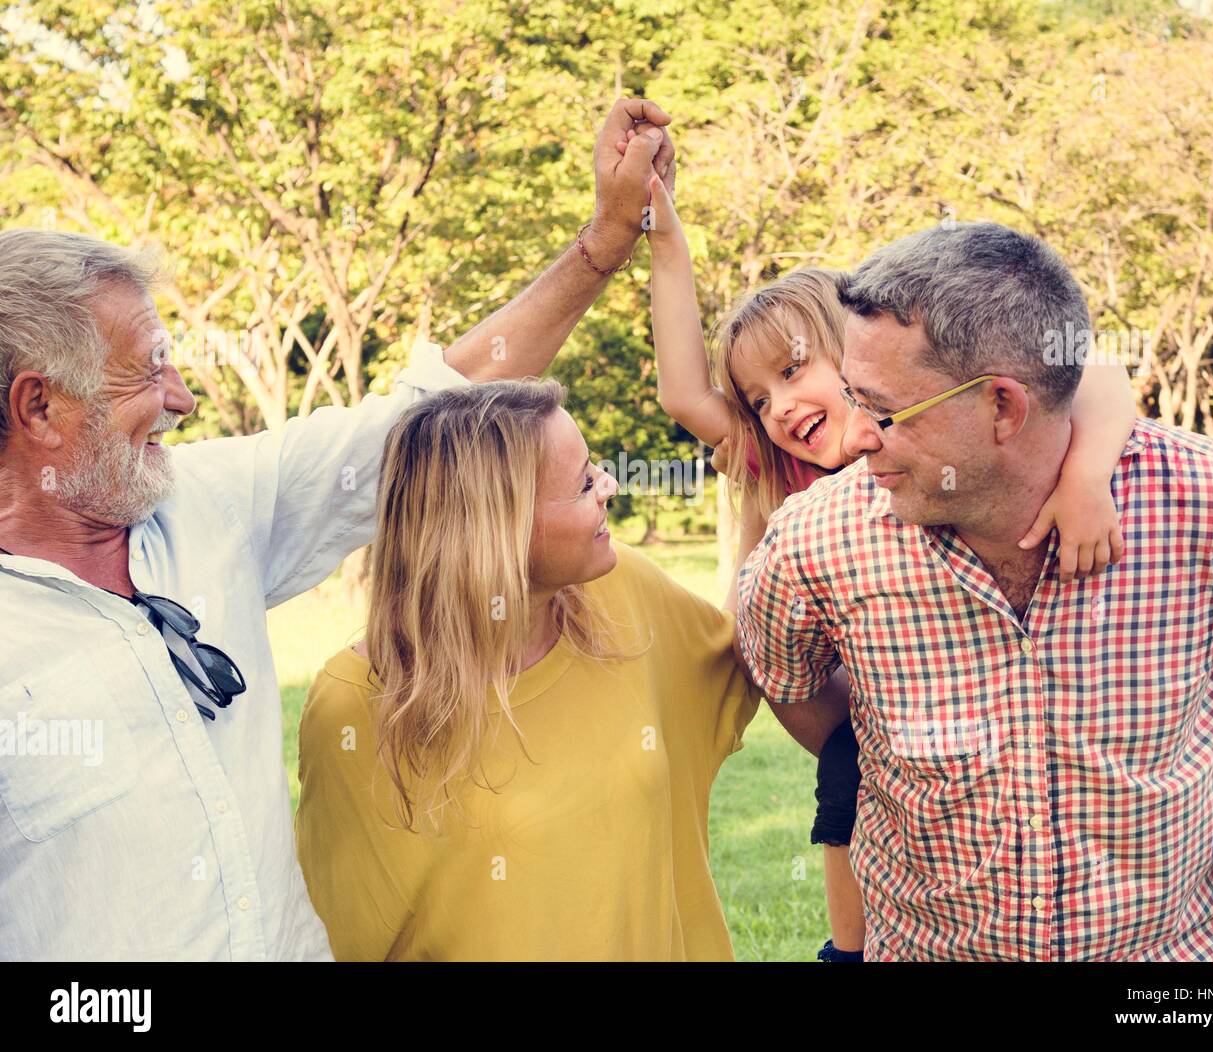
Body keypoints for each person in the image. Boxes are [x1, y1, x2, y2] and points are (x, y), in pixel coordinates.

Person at [0, 97, 677, 961]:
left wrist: (606, 240)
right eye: (148, 371)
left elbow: (437, 404)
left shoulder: (209, 504)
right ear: (40, 406)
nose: (182, 400)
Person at [736, 220, 1213, 960]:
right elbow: (790, 680)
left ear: (1003, 406)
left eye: (883, 409)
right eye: (852, 397)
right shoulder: (813, 544)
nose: (859, 436)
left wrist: (1178, 714)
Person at [642, 173, 1125, 960]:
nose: (780, 406)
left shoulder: (941, 431)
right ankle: (851, 949)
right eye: (759, 398)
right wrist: (665, 239)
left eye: (794, 371)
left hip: (988, 689)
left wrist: (1085, 477)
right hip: (858, 699)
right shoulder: (775, 467)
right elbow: (680, 390)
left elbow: (1093, 375)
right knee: (847, 781)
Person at [294, 380, 849, 960]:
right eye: (584, 482)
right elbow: (346, 938)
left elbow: (739, 655)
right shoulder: (355, 707)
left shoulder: (621, 589)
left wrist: (764, 497)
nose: (609, 486)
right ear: (496, 530)